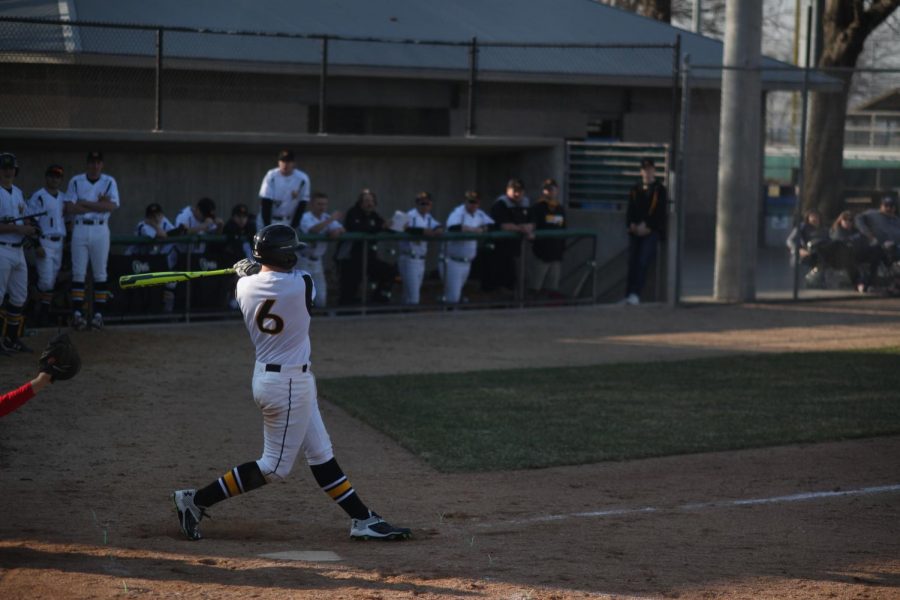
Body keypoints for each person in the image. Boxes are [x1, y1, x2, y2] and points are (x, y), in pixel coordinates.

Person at [172, 224, 411, 542]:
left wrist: (249, 271)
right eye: (292, 251)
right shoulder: (303, 284)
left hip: (275, 377)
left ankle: (361, 518)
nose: (297, 255)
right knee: (274, 468)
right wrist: (254, 268)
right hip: (286, 385)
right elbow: (290, 285)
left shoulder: (243, 288)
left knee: (321, 453)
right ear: (283, 256)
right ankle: (195, 500)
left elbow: (260, 279)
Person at [64, 151, 119, 330]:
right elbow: (69, 207)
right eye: (92, 162)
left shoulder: (109, 181)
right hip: (80, 227)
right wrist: (98, 205)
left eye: (98, 162)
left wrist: (85, 203)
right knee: (78, 272)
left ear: (101, 164)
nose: (95, 166)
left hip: (100, 228)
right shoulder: (76, 180)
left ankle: (98, 316)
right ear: (87, 164)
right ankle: (78, 315)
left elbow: (111, 206)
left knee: (100, 273)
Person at [0, 152, 37, 352]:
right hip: (2, 248)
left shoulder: (18, 192)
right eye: (4, 167)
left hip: (18, 250)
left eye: (11, 167)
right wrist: (17, 228)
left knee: (19, 296)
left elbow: (25, 218)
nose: (8, 170)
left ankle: (11, 339)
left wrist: (29, 227)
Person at [336, 188, 395, 305]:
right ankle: (345, 311)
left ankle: (378, 301)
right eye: (366, 201)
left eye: (372, 201)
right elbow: (359, 228)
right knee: (349, 288)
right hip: (351, 258)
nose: (369, 204)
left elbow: (384, 226)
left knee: (388, 271)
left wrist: (393, 225)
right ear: (360, 203)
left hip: (369, 258)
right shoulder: (353, 213)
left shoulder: (374, 215)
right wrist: (380, 227)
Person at [27, 164, 68, 326]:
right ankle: (39, 312)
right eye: (51, 176)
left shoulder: (64, 197)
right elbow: (31, 221)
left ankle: (41, 311)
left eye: (58, 176)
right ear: (46, 177)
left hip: (59, 243)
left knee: (51, 281)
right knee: (45, 280)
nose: (54, 179)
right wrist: (37, 244)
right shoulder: (39, 196)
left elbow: (68, 221)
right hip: (45, 241)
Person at [623, 158, 666, 305]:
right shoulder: (635, 189)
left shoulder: (659, 189)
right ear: (641, 171)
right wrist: (632, 225)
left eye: (650, 169)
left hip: (650, 232)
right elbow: (630, 209)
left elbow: (660, 212)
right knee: (631, 261)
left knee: (642, 261)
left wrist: (647, 226)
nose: (647, 172)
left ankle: (635, 293)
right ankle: (628, 293)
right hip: (635, 231)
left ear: (654, 170)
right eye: (644, 169)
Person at [443, 191, 494, 304]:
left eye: (475, 202)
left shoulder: (479, 214)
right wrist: (472, 229)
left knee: (455, 295)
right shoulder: (458, 213)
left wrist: (484, 228)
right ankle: (446, 318)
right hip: (452, 261)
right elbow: (452, 227)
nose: (473, 204)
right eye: (470, 201)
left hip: (467, 262)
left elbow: (493, 225)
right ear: (465, 201)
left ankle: (448, 315)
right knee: (453, 297)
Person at [483, 178, 534, 293]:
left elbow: (532, 222)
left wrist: (528, 227)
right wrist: (523, 229)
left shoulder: (525, 203)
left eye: (519, 191)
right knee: (499, 284)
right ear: (507, 190)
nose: (517, 193)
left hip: (515, 250)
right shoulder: (500, 204)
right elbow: (504, 225)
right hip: (498, 250)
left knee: (514, 282)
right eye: (514, 190)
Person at [128, 202, 178, 312]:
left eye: (158, 215)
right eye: (152, 216)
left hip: (152, 262)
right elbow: (161, 235)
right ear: (147, 217)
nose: (156, 218)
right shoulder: (142, 225)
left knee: (171, 281)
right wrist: (153, 224)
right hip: (135, 262)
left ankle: (166, 312)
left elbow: (175, 233)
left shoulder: (164, 221)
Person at [298, 191, 344, 308]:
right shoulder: (305, 217)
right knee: (303, 296)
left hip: (317, 261)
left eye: (324, 204)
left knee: (321, 299)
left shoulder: (326, 217)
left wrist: (336, 231)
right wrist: (331, 221)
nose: (322, 207)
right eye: (319, 204)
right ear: (312, 204)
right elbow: (313, 230)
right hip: (303, 261)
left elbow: (342, 229)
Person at [399, 191, 443, 305]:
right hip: (409, 258)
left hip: (421, 260)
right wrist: (421, 231)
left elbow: (438, 226)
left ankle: (403, 320)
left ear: (430, 205)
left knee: (409, 296)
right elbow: (397, 226)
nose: (424, 206)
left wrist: (438, 229)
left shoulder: (428, 217)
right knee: (413, 298)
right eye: (421, 203)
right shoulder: (409, 214)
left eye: (426, 203)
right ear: (417, 204)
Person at [528, 178, 567, 299]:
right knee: (535, 286)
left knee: (552, 287)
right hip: (541, 253)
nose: (549, 192)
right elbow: (532, 226)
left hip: (556, 254)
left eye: (552, 189)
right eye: (547, 189)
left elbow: (564, 229)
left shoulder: (560, 208)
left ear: (557, 190)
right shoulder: (537, 207)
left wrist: (562, 249)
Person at [257, 149, 310, 231]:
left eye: (288, 161)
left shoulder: (302, 178)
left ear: (294, 163)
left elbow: (302, 204)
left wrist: (294, 226)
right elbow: (265, 202)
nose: (285, 164)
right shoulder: (271, 175)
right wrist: (268, 226)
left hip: (288, 221)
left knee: (287, 243)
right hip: (268, 220)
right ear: (279, 162)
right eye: (283, 161)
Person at [830, 210, 881, 293]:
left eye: (850, 220)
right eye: (845, 219)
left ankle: (873, 281)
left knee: (877, 250)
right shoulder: (838, 232)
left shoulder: (856, 231)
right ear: (840, 220)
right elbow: (841, 245)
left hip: (859, 253)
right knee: (850, 260)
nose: (848, 222)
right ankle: (859, 284)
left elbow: (864, 241)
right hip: (844, 257)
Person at [786, 209, 833, 287]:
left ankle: (820, 281)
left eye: (816, 217)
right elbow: (790, 240)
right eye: (812, 217)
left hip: (820, 254)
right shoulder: (802, 228)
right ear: (808, 218)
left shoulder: (824, 229)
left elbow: (829, 241)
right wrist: (799, 250)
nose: (814, 219)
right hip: (805, 254)